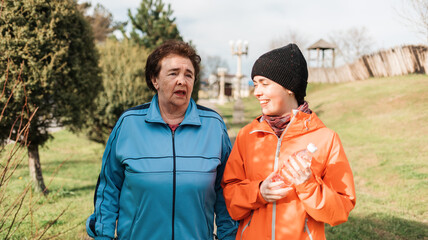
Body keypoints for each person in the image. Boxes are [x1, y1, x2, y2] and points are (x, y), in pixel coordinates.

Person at [86, 40, 238, 240]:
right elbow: (109, 188)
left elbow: (226, 191)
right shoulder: (129, 123)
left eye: (188, 74)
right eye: (173, 73)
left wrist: (229, 237)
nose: (182, 80)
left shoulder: (213, 125)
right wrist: (103, 235)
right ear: (154, 80)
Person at [221, 43, 356, 240]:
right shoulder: (246, 136)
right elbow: (230, 199)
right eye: (255, 84)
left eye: (264, 83)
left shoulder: (326, 139)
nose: (257, 92)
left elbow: (340, 211)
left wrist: (308, 185)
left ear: (290, 87)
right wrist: (259, 192)